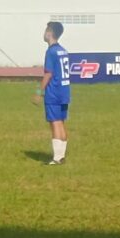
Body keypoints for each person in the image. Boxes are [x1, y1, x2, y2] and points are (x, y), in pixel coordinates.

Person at [33, 21, 70, 165]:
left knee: (54, 123)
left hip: (54, 92)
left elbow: (48, 74)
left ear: (49, 33)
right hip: (64, 91)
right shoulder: (63, 50)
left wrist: (38, 92)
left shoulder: (51, 51)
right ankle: (61, 156)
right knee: (60, 123)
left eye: (45, 30)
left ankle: (56, 158)